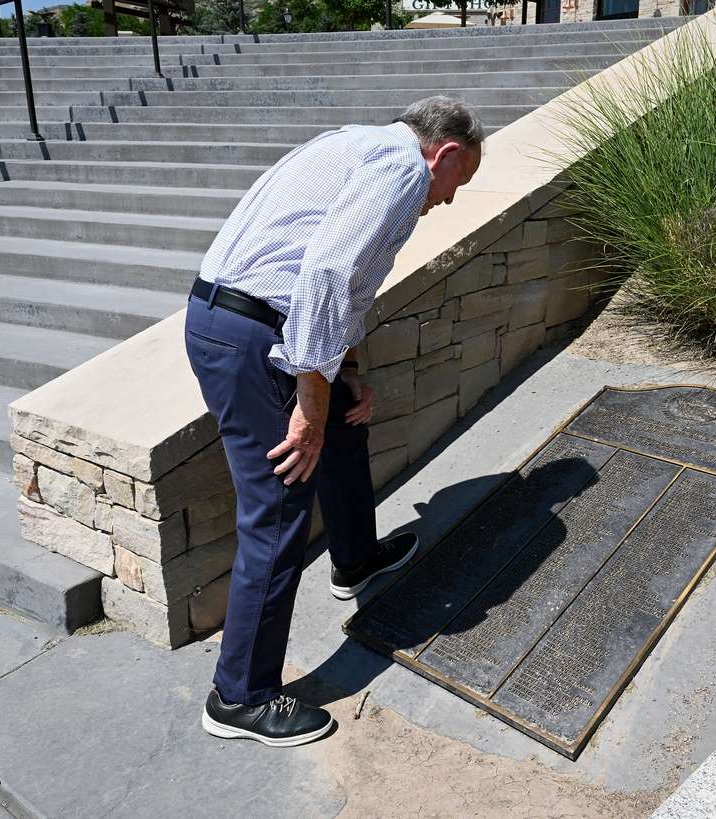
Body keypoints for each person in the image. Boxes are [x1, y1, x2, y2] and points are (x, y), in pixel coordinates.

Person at [184, 96, 484, 747]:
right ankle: (240, 694)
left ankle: (355, 560)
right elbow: (324, 273)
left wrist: (340, 374)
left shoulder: (364, 146)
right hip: (250, 336)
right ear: (448, 154)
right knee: (281, 502)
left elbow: (339, 283)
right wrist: (309, 405)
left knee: (344, 417)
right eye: (459, 185)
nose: (451, 201)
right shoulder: (403, 168)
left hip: (241, 322)